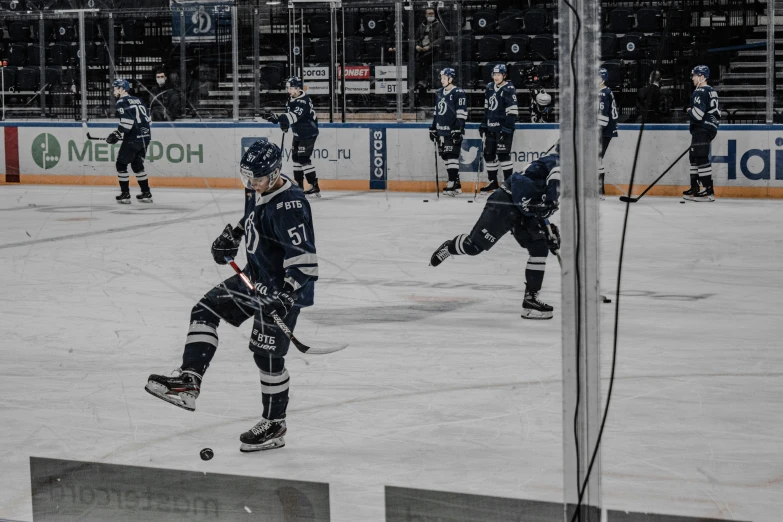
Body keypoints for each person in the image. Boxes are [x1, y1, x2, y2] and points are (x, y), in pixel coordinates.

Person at [145, 138, 318, 453]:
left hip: (281, 288)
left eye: (257, 178)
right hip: (255, 276)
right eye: (247, 177)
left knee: (266, 357)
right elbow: (252, 216)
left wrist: (287, 292)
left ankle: (275, 424)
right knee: (205, 309)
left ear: (276, 173)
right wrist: (235, 235)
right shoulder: (259, 186)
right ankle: (189, 381)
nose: (251, 184)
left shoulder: (290, 205)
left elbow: (305, 260)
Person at [429, 152, 561, 320]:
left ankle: (530, 301)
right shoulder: (562, 161)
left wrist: (547, 226)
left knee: (540, 247)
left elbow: (541, 201)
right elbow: (523, 183)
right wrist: (544, 210)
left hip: (526, 208)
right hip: (505, 202)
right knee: (473, 247)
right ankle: (450, 247)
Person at [262, 77, 321, 197]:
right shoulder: (291, 98)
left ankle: (314, 185)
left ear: (298, 88)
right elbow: (287, 113)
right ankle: (299, 186)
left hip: (308, 133)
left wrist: (277, 118)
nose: (289, 90)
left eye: (291, 88)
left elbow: (293, 116)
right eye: (288, 88)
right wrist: (284, 124)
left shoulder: (303, 101)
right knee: (295, 158)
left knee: (303, 158)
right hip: (298, 133)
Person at [107, 79, 152, 203]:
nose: (114, 91)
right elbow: (149, 120)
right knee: (137, 165)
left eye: (115, 88)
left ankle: (125, 194)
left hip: (133, 139)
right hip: (146, 137)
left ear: (122, 89)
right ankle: (146, 193)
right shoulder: (139, 100)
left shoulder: (121, 101)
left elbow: (127, 122)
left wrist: (117, 133)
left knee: (121, 164)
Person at [479, 64, 518, 193]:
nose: (496, 77)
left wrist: (506, 129)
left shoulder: (509, 89)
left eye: (499, 75)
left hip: (503, 129)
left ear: (504, 75)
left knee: (503, 155)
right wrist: (484, 125)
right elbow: (487, 109)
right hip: (491, 128)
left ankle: (508, 183)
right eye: (494, 75)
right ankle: (493, 182)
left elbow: (512, 112)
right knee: (489, 154)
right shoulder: (489, 88)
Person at [683, 65, 720, 202]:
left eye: (695, 75)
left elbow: (698, 115)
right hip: (709, 127)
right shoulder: (711, 90)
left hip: (702, 128)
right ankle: (695, 187)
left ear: (702, 77)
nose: (692, 78)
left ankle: (707, 191)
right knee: (694, 157)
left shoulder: (700, 91)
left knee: (701, 157)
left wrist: (687, 110)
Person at [429, 67, 467, 196]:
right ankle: (457, 185)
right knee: (446, 157)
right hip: (441, 131)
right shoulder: (439, 92)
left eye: (444, 78)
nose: (442, 80)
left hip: (452, 131)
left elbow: (461, 113)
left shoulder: (458, 92)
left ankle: (451, 183)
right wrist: (433, 127)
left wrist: (458, 129)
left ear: (451, 79)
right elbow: (437, 112)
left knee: (452, 156)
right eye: (441, 78)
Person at [598, 68, 618, 198]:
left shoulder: (603, 93)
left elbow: (603, 117)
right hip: (607, 131)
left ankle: (599, 190)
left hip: (604, 131)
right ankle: (599, 190)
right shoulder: (606, 91)